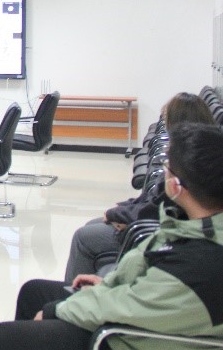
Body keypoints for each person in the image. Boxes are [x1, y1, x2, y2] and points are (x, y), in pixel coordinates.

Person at [0, 122, 223, 350]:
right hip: (138, 313)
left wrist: (55, 311)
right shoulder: (189, 223)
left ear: (176, 186)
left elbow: (127, 307)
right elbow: (148, 287)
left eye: (167, 167)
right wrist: (109, 284)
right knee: (34, 292)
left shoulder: (201, 262)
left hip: (129, 338)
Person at [63, 92, 215, 282]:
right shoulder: (196, 154)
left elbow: (158, 208)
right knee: (92, 225)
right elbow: (153, 198)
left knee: (83, 237)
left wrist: (118, 215)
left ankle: (71, 294)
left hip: (157, 234)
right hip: (152, 223)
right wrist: (122, 209)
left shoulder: (186, 163)